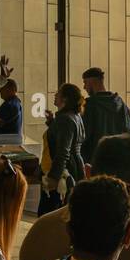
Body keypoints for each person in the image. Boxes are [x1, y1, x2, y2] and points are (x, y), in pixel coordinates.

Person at [38, 83, 85, 217]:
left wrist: (53, 177)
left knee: (49, 214)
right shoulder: (75, 116)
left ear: (64, 99)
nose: (55, 95)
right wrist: (52, 122)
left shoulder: (64, 120)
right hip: (74, 168)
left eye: (58, 93)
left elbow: (62, 152)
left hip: (63, 173)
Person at [80, 67, 130, 165]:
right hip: (118, 159)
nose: (84, 87)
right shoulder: (119, 103)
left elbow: (84, 135)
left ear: (93, 82)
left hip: (96, 160)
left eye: (85, 83)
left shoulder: (90, 105)